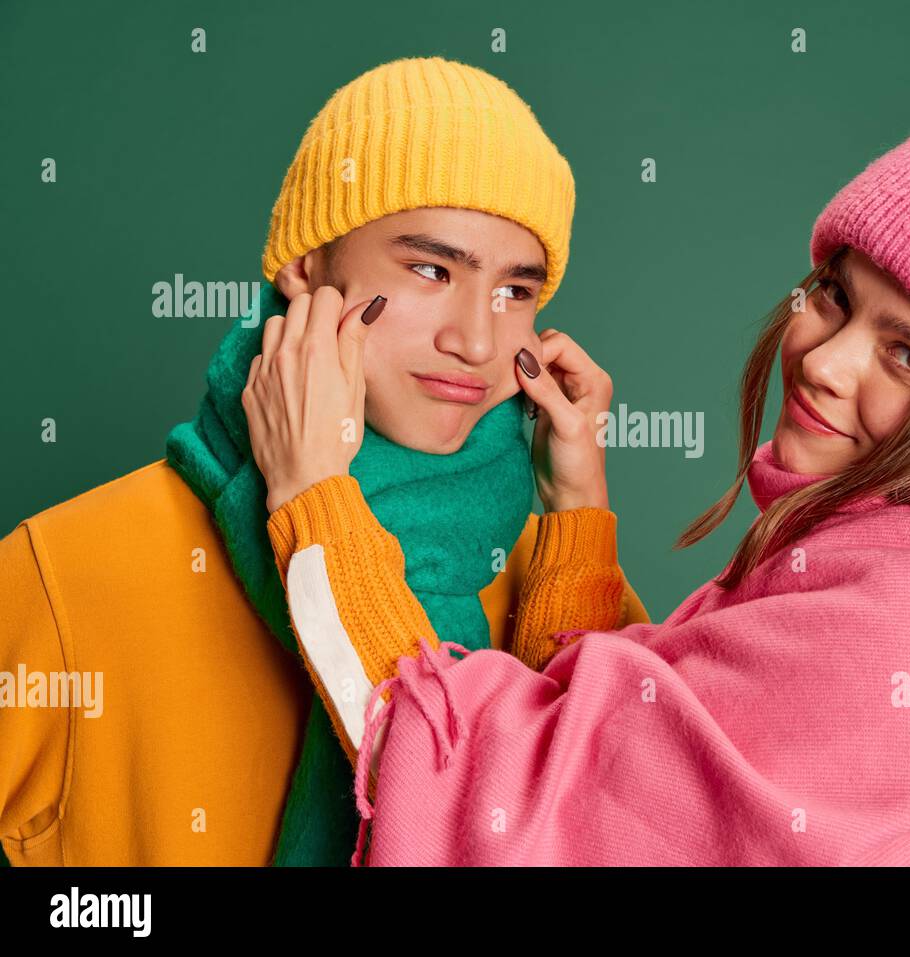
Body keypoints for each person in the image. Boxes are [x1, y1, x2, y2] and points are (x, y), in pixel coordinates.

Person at [248, 111, 910, 866]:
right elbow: (622, 774)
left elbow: (511, 819)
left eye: (907, 356)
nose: (825, 361)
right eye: (834, 296)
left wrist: (313, 494)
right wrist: (577, 511)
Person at [0, 56, 647, 866]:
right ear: (306, 267)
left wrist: (578, 513)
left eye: (515, 292)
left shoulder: (568, 581)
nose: (478, 341)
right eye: (430, 269)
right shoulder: (64, 571)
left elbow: (603, 828)